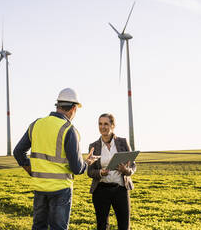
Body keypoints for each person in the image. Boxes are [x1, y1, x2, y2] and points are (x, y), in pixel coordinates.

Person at [13, 88, 95, 230]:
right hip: (61, 190)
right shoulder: (69, 129)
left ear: (57, 106)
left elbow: (18, 152)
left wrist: (30, 169)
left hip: (40, 188)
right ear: (73, 108)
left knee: (39, 227)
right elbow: (77, 168)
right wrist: (86, 163)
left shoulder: (36, 124)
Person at [87, 113, 136, 230]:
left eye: (106, 124)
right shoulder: (94, 146)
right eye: (100, 124)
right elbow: (90, 171)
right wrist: (100, 173)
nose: (102, 127)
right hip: (100, 190)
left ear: (112, 125)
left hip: (120, 189)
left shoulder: (123, 143)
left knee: (124, 225)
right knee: (102, 226)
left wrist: (126, 170)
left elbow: (133, 166)